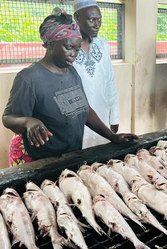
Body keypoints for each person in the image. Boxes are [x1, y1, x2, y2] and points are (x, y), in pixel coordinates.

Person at [2, 8, 138, 167]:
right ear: (50, 44)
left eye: (77, 49)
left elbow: (84, 109)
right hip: (40, 160)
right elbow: (8, 118)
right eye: (68, 48)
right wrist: (28, 121)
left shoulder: (71, 72)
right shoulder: (29, 78)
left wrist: (112, 136)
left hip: (68, 155)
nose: (74, 54)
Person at [73, 0, 120, 148]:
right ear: (77, 18)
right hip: (77, 116)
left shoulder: (102, 45)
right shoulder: (67, 48)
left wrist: (114, 116)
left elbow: (110, 81)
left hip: (102, 113)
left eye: (99, 19)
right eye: (91, 20)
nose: (97, 24)